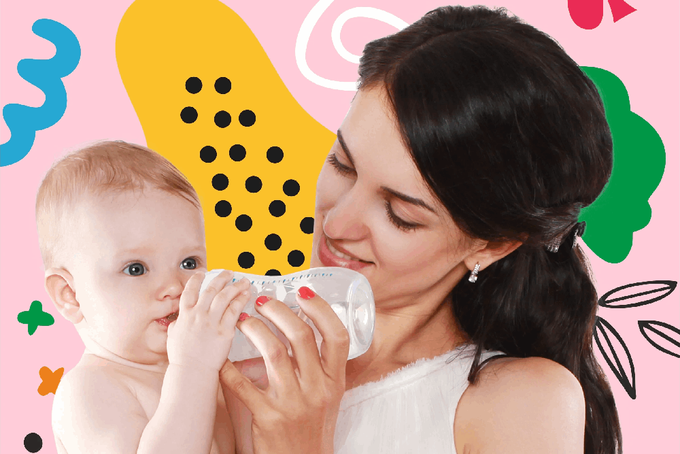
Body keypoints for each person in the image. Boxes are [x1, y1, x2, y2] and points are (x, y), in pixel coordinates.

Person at [218, 5, 622, 454]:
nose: (335, 223)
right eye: (343, 165)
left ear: (491, 244)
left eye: (400, 214)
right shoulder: (240, 351)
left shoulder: (518, 403)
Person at [37, 141, 252, 453]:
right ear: (70, 295)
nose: (175, 286)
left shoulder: (207, 369)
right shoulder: (88, 390)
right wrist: (195, 368)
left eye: (188, 263)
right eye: (136, 268)